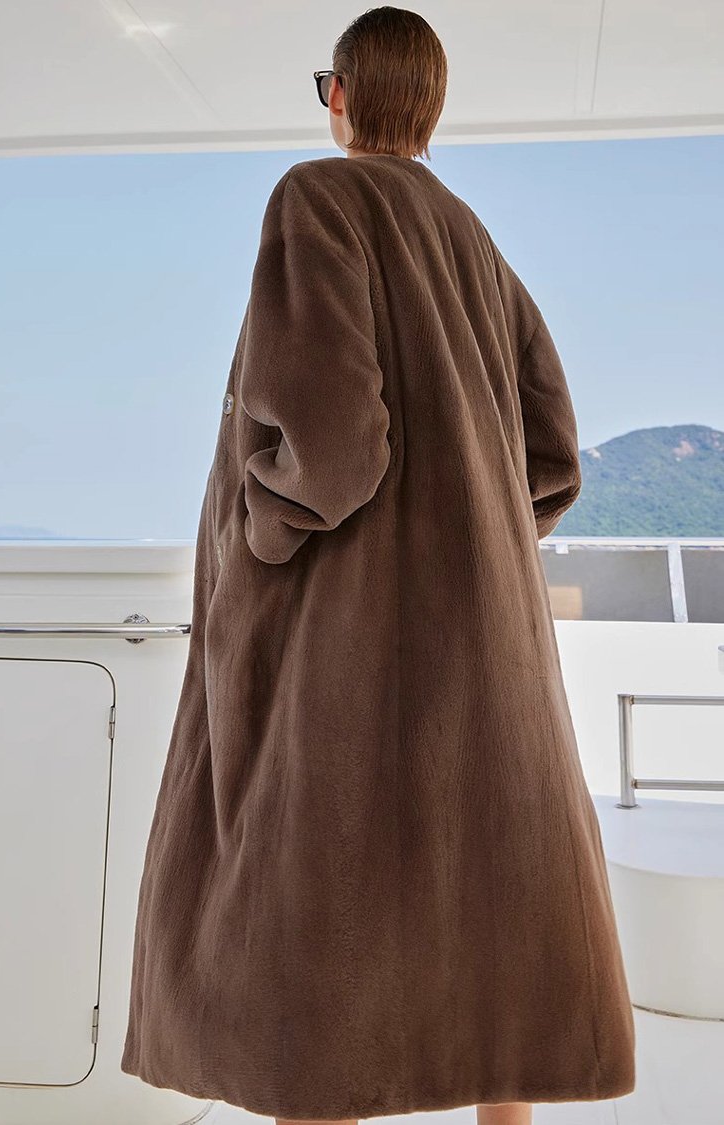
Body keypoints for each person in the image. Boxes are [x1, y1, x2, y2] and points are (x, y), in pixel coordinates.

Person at [121, 8, 636, 1125]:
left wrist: (261, 537)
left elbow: (336, 449)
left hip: (337, 631)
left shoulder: (317, 198)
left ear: (342, 94)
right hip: (483, 638)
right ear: (431, 105)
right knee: (493, 907)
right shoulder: (474, 242)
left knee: (316, 922)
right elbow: (554, 458)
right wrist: (474, 542)